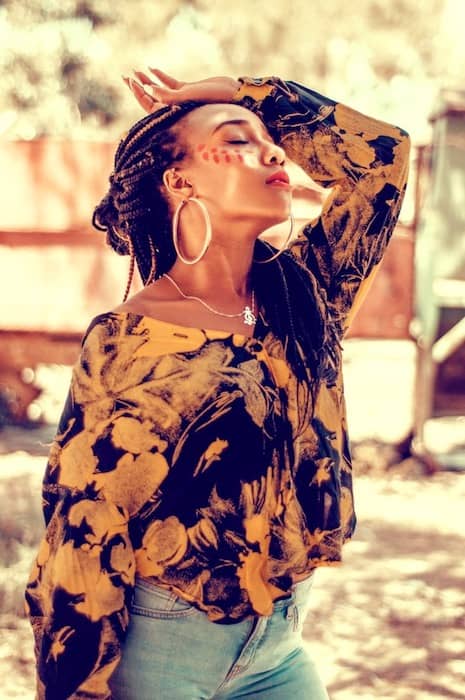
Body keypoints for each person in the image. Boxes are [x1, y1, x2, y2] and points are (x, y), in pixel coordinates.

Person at [25, 68, 410, 699]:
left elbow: (383, 159)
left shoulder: (305, 293)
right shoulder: (128, 340)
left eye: (272, 142)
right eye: (237, 140)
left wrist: (244, 94)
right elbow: (83, 530)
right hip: (163, 654)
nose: (275, 152)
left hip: (279, 650)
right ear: (180, 180)